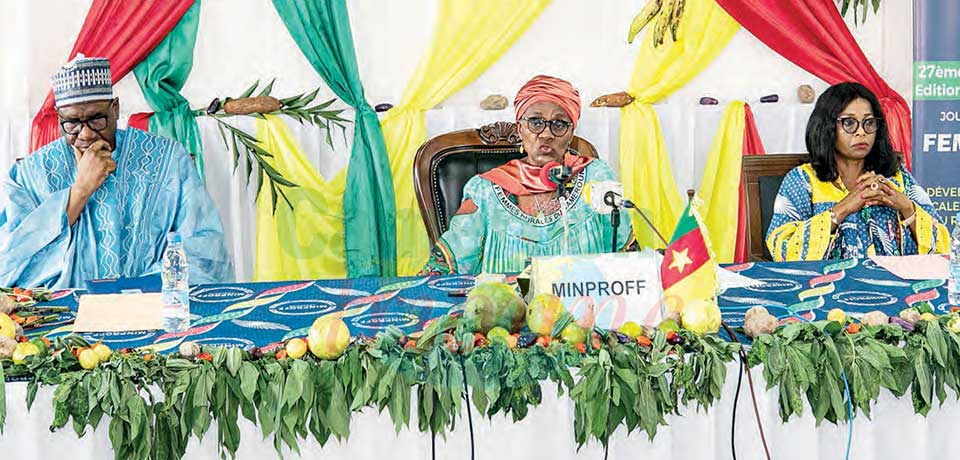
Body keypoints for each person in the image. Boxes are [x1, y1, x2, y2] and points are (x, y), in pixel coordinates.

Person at [0, 55, 233, 288]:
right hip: (64, 317)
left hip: (151, 305)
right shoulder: (32, 174)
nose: (86, 134)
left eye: (96, 119)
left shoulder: (167, 160)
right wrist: (80, 191)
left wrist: (137, 291)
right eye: (71, 123)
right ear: (59, 118)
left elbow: (205, 250)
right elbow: (9, 265)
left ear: (115, 109)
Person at [421, 75, 635, 275]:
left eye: (559, 124)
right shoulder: (484, 191)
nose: (547, 133)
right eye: (535, 122)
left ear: (571, 134)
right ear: (520, 128)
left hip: (585, 309)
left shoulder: (596, 177)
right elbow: (443, 271)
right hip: (506, 310)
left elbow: (628, 261)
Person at [766, 82, 948, 261]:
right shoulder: (803, 180)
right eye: (849, 123)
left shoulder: (897, 177)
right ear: (826, 127)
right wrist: (842, 209)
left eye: (869, 123)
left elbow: (946, 249)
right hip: (826, 287)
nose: (861, 132)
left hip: (894, 286)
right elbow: (782, 250)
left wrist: (907, 208)